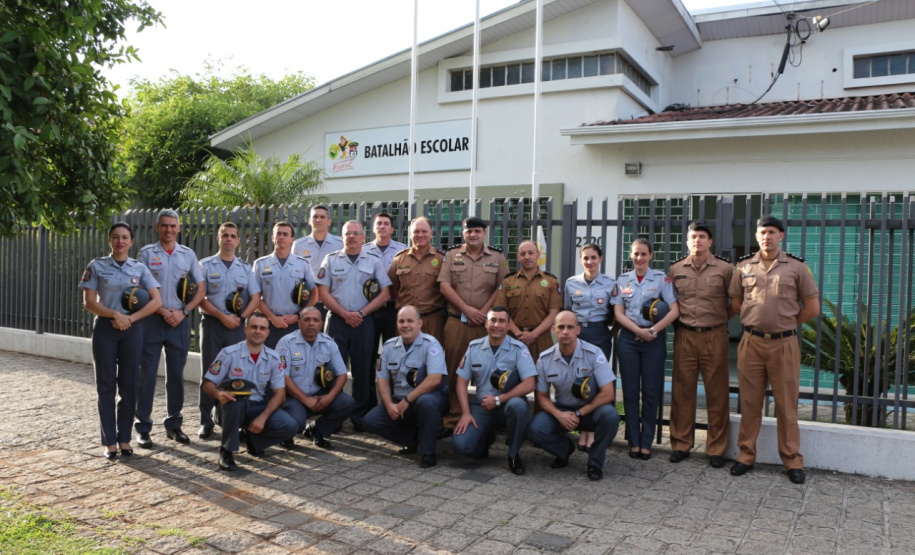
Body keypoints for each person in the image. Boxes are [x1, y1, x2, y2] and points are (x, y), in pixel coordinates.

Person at [728, 215, 820, 485]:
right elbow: (736, 304)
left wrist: (787, 323)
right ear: (757, 237)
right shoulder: (743, 267)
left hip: (784, 344)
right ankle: (745, 455)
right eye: (762, 232)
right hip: (752, 343)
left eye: (771, 232)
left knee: (786, 405)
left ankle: (792, 460)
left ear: (781, 236)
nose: (766, 236)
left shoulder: (797, 267)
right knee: (750, 403)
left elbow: (812, 308)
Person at [80, 222, 162, 460]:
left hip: (132, 330)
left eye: (125, 237)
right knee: (105, 386)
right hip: (106, 329)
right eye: (115, 237)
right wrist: (115, 315)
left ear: (131, 241)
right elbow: (89, 302)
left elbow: (156, 301)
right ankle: (109, 443)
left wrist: (131, 318)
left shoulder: (140, 268)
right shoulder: (96, 266)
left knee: (129, 385)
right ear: (109, 241)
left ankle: (125, 439)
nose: (120, 242)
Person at [136, 209, 206, 449]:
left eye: (172, 226)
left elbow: (201, 288)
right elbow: (139, 289)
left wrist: (184, 312)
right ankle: (143, 427)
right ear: (158, 227)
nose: (168, 229)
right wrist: (160, 310)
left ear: (178, 228)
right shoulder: (146, 254)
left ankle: (174, 425)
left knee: (176, 375)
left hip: (178, 321)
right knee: (147, 375)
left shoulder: (188, 255)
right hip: (152, 321)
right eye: (164, 225)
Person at [668, 222, 735, 468]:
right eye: (693, 237)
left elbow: (735, 303)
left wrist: (716, 323)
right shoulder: (675, 269)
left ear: (710, 242)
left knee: (717, 393)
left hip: (714, 336)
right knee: (682, 391)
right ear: (687, 241)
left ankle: (716, 448)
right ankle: (680, 444)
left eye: (702, 237)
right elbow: (671, 302)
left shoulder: (725, 269)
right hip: (685, 335)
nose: (697, 241)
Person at [525, 311, 620, 481]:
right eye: (561, 327)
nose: (565, 331)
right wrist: (558, 414)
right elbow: (541, 395)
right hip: (562, 410)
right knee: (535, 428)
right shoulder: (545, 359)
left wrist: (579, 413)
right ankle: (564, 450)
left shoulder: (594, 353)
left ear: (578, 330)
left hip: (590, 411)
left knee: (610, 416)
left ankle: (595, 463)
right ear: (554, 330)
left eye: (570, 327)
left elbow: (608, 394)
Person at [437, 216, 509, 438]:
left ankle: (488, 418)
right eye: (469, 232)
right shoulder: (451, 255)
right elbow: (444, 285)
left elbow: (502, 287)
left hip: (486, 326)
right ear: (464, 233)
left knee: (488, 372)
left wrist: (485, 314)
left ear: (484, 233)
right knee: (453, 372)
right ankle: (454, 417)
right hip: (457, 321)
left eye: (477, 231)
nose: (473, 235)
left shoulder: (497, 256)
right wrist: (467, 309)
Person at [316, 220, 392, 428]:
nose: (351, 236)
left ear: (362, 237)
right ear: (342, 237)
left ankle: (360, 416)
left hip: (363, 322)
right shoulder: (330, 260)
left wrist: (360, 313)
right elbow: (323, 292)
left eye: (355, 233)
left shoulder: (374, 261)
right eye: (347, 233)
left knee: (363, 369)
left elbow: (385, 293)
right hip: (337, 322)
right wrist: (344, 313)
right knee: (333, 369)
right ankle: (335, 416)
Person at [202, 312, 298, 471]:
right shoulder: (229, 353)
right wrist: (219, 394)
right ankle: (226, 451)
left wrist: (263, 417)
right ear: (245, 329)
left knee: (290, 426)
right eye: (254, 327)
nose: (258, 331)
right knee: (236, 403)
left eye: (262, 328)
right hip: (229, 407)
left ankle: (253, 441)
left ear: (268, 333)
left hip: (257, 407)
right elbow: (208, 384)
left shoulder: (274, 358)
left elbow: (280, 394)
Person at [612, 238, 679, 460]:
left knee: (650, 392)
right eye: (635, 254)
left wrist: (653, 330)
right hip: (629, 339)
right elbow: (619, 313)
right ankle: (633, 441)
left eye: (643, 254)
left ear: (651, 255)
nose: (639, 258)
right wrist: (638, 331)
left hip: (654, 339)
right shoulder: (623, 280)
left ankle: (646, 441)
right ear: (630, 256)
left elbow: (674, 310)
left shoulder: (661, 279)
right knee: (630, 392)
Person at [196, 222, 262, 440]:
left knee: (236, 372)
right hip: (213, 324)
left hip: (236, 326)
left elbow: (255, 298)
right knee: (210, 371)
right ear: (218, 238)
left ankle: (230, 420)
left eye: (233, 236)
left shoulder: (245, 268)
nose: (229, 239)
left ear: (237, 241)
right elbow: (200, 298)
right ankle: (206, 421)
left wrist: (241, 318)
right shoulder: (204, 265)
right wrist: (221, 316)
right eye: (225, 235)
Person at [362, 306, 450, 468]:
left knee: (427, 403)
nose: (405, 325)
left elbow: (435, 379)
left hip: (427, 399)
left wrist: (408, 400)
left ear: (420, 323)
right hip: (399, 400)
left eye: (410, 321)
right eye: (401, 321)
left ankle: (428, 452)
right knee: (370, 421)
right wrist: (389, 405)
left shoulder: (431, 344)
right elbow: (382, 379)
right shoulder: (389, 347)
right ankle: (413, 438)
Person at [452, 306, 536, 475]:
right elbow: (461, 382)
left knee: (518, 406)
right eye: (493, 320)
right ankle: (485, 439)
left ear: (508, 325)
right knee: (462, 446)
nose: (497, 325)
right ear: (486, 323)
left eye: (502, 321)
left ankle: (513, 455)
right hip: (482, 406)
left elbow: (529, 384)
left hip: (508, 405)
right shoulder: (474, 347)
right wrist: (466, 413)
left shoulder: (519, 349)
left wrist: (499, 399)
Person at [276, 307, 356, 449]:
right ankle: (286, 434)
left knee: (347, 402)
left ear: (321, 323)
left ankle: (317, 430)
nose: (311, 323)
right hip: (294, 397)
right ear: (299, 323)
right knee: (296, 423)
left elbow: (342, 375)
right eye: (306, 320)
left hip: (319, 396)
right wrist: (305, 399)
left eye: (315, 320)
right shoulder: (286, 342)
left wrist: (329, 397)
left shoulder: (329, 343)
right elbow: (283, 377)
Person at [564, 243, 617, 452]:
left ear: (600, 259)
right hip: (579, 334)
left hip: (600, 333)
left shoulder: (610, 284)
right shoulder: (571, 283)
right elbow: (567, 311)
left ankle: (595, 430)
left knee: (599, 380)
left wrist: (609, 334)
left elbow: (616, 313)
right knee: (580, 379)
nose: (590, 262)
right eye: (585, 258)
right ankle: (584, 429)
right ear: (580, 260)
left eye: (593, 257)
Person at [252, 221, 317, 349]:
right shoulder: (260, 264)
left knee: (296, 364)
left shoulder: (302, 264)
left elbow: (315, 294)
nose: (281, 237)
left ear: (292, 239)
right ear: (273, 238)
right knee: (268, 364)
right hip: (269, 324)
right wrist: (272, 318)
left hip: (295, 324)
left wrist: (299, 316)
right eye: (278, 234)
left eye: (285, 234)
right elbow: (255, 297)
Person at [495, 240, 561, 362]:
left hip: (541, 340)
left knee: (541, 379)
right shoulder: (508, 282)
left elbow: (554, 313)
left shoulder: (551, 282)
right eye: (523, 253)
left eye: (531, 253)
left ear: (538, 255)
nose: (527, 257)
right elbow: (501, 312)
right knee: (510, 378)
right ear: (518, 257)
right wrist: (518, 334)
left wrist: (533, 335)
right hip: (512, 338)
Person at [387, 216, 447, 341]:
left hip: (433, 320)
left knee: (432, 357)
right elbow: (393, 288)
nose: (420, 235)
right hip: (406, 323)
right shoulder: (399, 258)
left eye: (424, 231)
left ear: (431, 233)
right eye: (416, 231)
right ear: (410, 234)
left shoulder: (442, 259)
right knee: (405, 357)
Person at [364, 212, 408, 375]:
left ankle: (392, 393)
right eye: (379, 223)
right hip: (370, 309)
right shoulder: (364, 251)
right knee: (368, 352)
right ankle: (368, 398)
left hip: (393, 309)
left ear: (392, 229)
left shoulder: (403, 251)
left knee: (394, 353)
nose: (382, 226)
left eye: (386, 224)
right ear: (373, 228)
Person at [293, 205, 343, 320]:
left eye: (322, 217)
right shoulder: (299, 245)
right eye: (315, 217)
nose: (318, 220)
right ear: (310, 221)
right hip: (307, 300)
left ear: (329, 221)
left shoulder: (340, 244)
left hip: (334, 302)